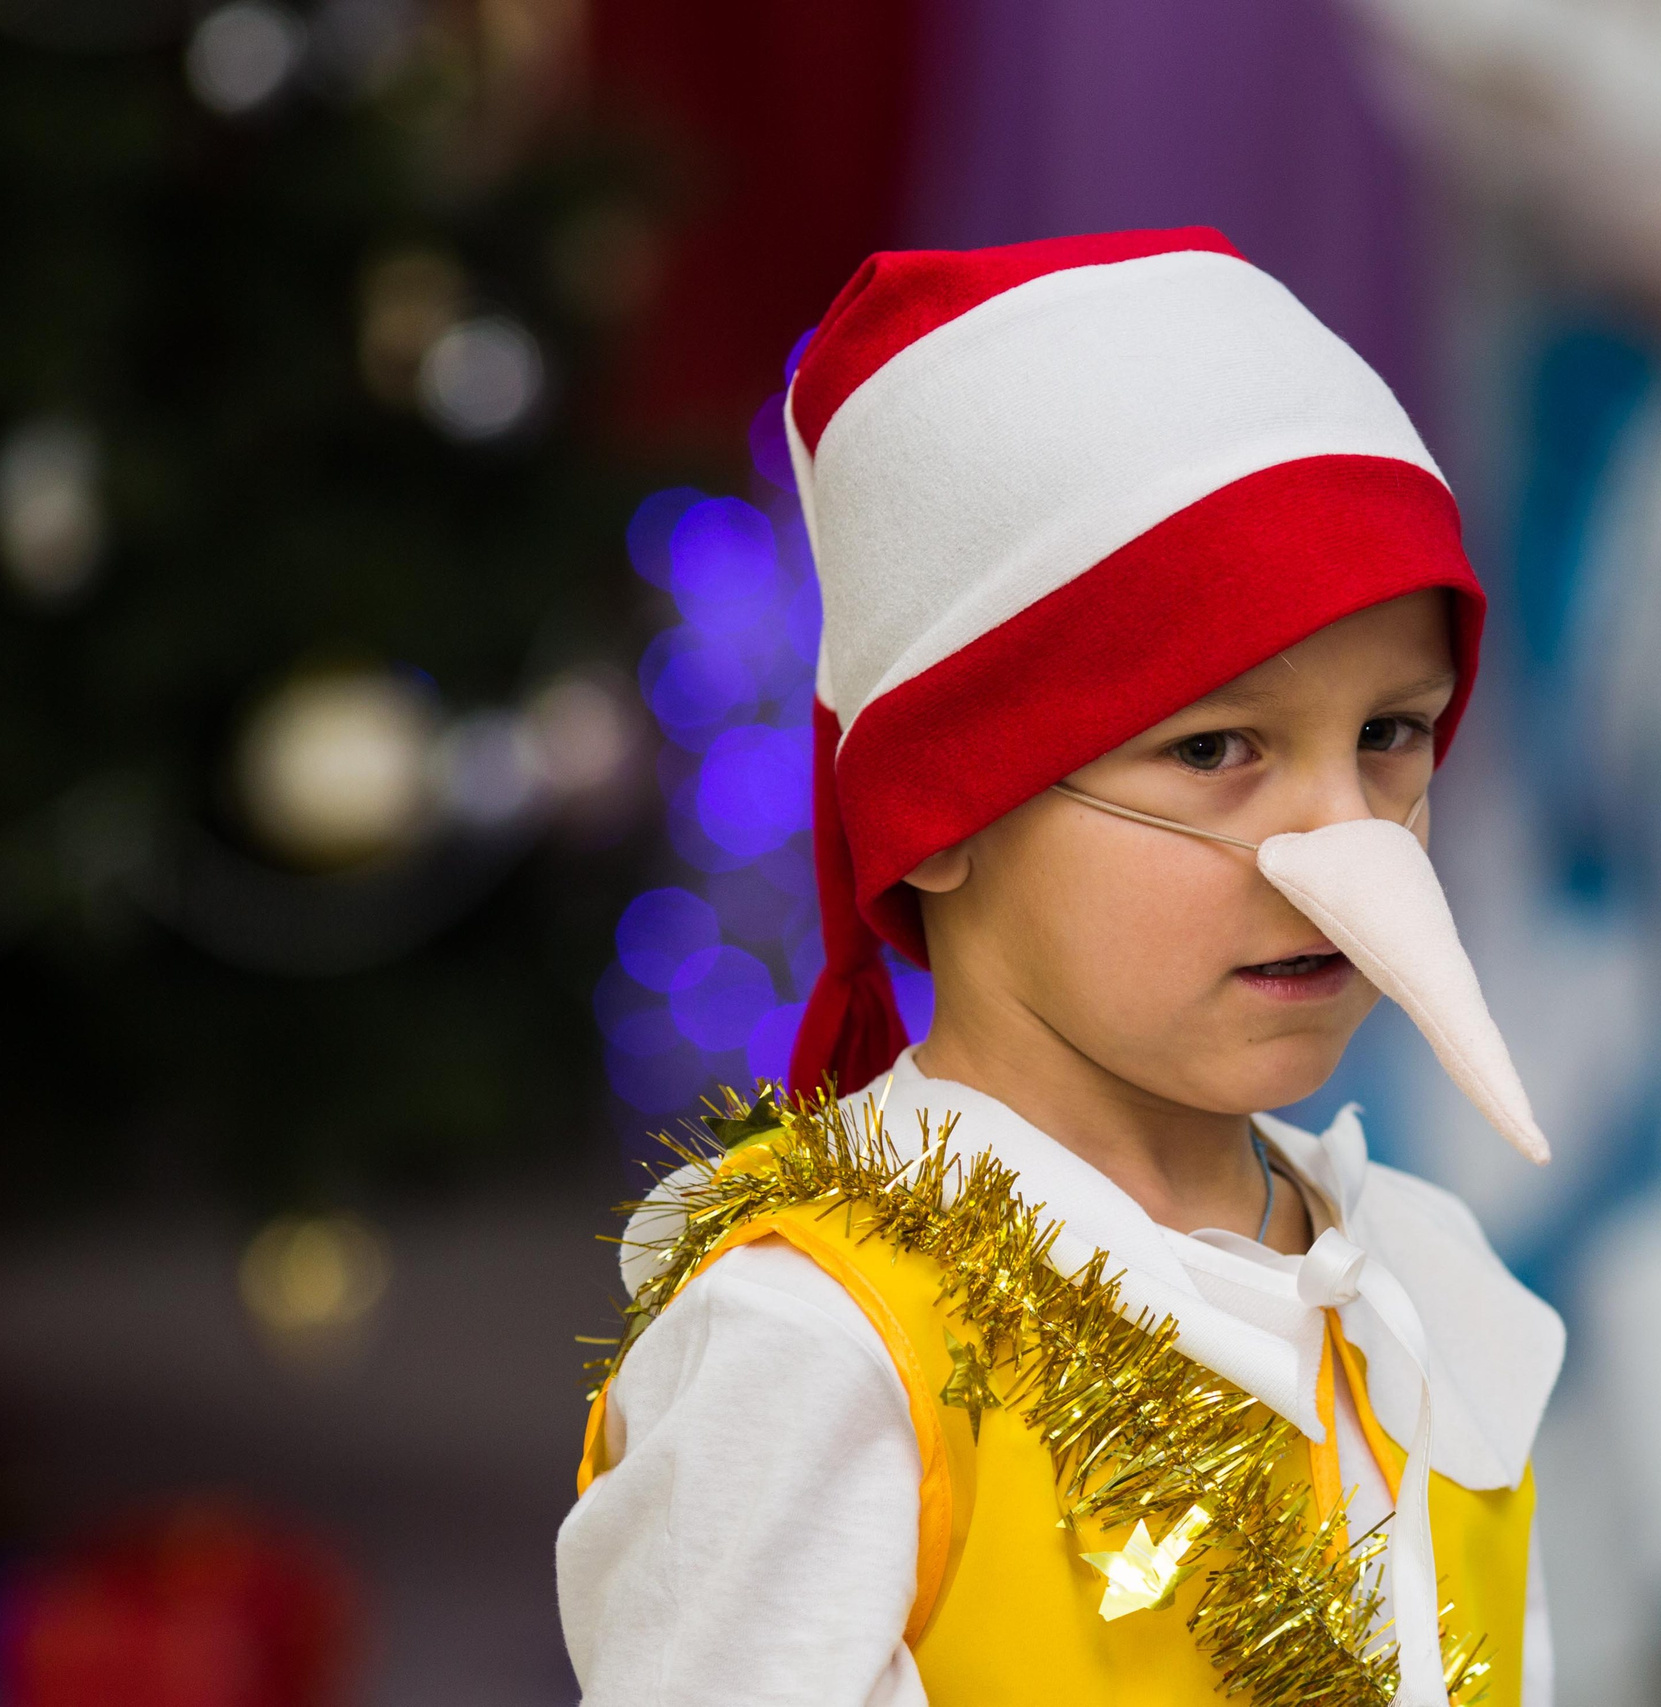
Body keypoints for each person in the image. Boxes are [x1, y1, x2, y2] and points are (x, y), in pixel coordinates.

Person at [555, 228, 1565, 1707]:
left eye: (1390, 737)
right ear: (942, 813)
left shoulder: (1426, 1283)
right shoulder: (817, 1352)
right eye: (1217, 750)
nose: (1340, 850)